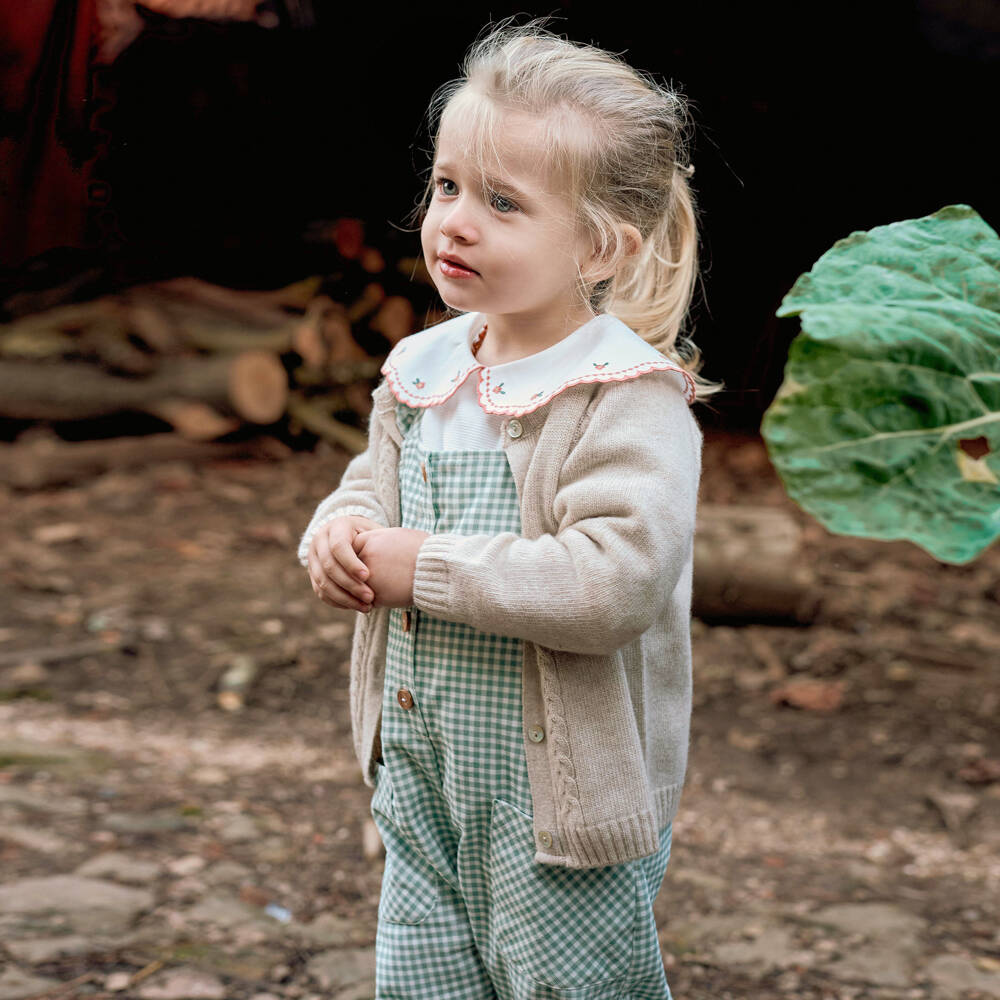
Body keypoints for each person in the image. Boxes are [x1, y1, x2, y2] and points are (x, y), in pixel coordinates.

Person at [298, 15, 723, 999]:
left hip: (559, 806)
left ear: (600, 248)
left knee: (562, 984)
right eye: (447, 185)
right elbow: (374, 483)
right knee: (425, 978)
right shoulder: (425, 366)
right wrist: (341, 532)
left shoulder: (625, 397)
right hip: (422, 771)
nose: (454, 220)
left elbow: (611, 584)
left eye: (501, 201)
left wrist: (421, 568)